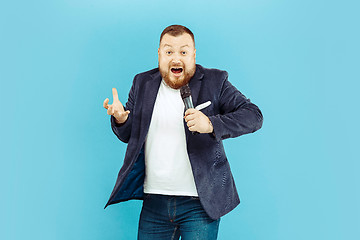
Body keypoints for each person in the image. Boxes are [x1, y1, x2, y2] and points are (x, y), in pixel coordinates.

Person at [103, 24, 263, 240]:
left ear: (194, 55)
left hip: (200, 203)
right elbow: (129, 135)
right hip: (155, 202)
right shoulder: (142, 83)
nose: (176, 58)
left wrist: (211, 124)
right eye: (169, 51)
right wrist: (121, 119)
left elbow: (253, 116)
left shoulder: (215, 82)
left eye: (183, 51)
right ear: (159, 54)